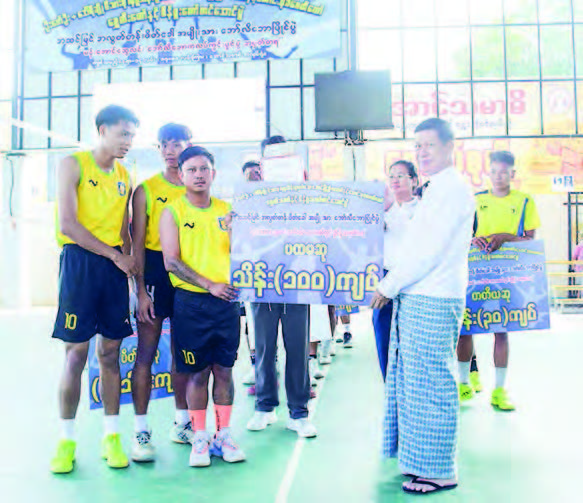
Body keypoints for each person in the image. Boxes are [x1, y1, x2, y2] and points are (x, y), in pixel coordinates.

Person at [371, 118, 474, 494]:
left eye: (429, 145)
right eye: (417, 146)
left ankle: (441, 469)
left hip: (433, 295)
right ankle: (421, 463)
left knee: (432, 383)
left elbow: (428, 251)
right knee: (415, 384)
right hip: (419, 295)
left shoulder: (452, 189)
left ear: (449, 146)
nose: (422, 152)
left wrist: (389, 285)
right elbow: (415, 243)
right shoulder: (437, 188)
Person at [50, 105, 140, 474]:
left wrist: (131, 276)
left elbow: (124, 232)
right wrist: (115, 256)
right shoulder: (72, 165)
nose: (128, 142)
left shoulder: (125, 176)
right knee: (75, 355)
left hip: (113, 269)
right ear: (102, 130)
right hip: (80, 263)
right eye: (123, 133)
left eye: (132, 135)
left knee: (111, 353)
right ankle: (66, 441)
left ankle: (111, 437)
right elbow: (68, 225)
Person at [159, 146, 245, 467]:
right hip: (191, 303)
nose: (198, 175)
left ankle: (223, 434)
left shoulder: (227, 210)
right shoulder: (173, 212)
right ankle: (199, 436)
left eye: (204, 169)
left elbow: (244, 252)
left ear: (214, 173)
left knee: (224, 370)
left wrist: (237, 232)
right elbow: (171, 262)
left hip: (227, 303)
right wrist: (209, 284)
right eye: (192, 170)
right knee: (197, 374)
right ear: (181, 175)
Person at [457, 151, 540, 411]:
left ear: (512, 174)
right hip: (476, 270)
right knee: (466, 327)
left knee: (501, 330)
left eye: (504, 172)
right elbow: (461, 235)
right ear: (488, 173)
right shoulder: (476, 200)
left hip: (506, 274)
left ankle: (499, 390)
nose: (498, 176)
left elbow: (530, 240)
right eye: (494, 171)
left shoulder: (524, 201)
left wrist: (504, 237)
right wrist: (472, 240)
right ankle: (463, 384)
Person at [246, 136, 317, 437]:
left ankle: (299, 412)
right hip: (261, 281)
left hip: (297, 281)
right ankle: (265, 407)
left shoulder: (305, 193)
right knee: (264, 348)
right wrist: (252, 191)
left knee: (298, 347)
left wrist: (306, 189)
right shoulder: (250, 192)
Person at [130, 123, 192, 462]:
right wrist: (140, 291)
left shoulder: (197, 186)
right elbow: (137, 244)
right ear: (159, 149)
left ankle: (182, 423)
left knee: (183, 353)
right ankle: (141, 430)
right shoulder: (146, 190)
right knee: (146, 353)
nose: (171, 150)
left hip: (186, 274)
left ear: (188, 145)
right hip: (155, 273)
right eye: (165, 144)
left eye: (177, 144)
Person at [372, 160, 419, 380]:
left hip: (413, 283)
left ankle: (412, 388)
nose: (395, 180)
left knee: (412, 343)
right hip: (384, 279)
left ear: (414, 181)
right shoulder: (378, 210)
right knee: (384, 338)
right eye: (391, 176)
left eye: (401, 175)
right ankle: (389, 386)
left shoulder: (423, 210)